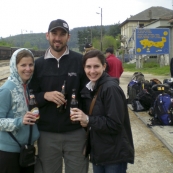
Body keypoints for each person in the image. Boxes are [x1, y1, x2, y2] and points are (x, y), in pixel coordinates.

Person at [29, 19, 89, 173]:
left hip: (75, 133)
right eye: (54, 33)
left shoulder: (79, 61)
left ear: (68, 37)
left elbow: (88, 94)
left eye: (62, 34)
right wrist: (45, 95)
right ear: (47, 35)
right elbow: (30, 96)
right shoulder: (37, 65)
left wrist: (88, 120)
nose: (58, 38)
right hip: (47, 135)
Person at [70, 50, 134, 173]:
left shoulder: (110, 88)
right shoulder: (93, 87)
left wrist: (88, 120)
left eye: (96, 66)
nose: (92, 71)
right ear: (84, 68)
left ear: (104, 67)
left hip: (114, 155)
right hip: (100, 152)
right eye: (88, 67)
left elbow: (115, 123)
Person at [0, 48, 39, 173]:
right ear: (15, 66)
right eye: (23, 65)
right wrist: (19, 121)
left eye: (30, 65)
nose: (28, 69)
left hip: (26, 148)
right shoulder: (7, 89)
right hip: (9, 152)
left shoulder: (27, 87)